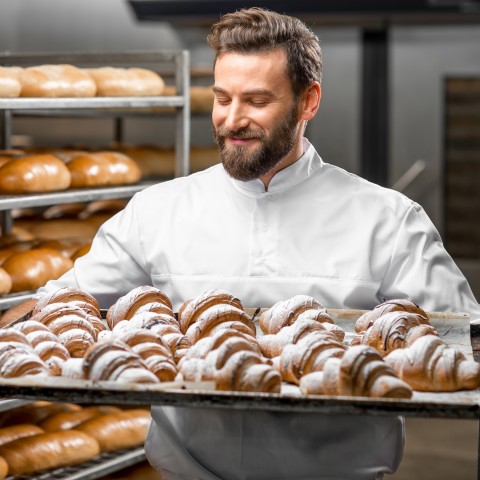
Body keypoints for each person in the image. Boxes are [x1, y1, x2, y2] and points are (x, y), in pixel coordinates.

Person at [31, 7, 480, 480]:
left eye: (256, 101)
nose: (232, 119)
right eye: (222, 98)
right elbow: (57, 307)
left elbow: (466, 337)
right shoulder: (157, 211)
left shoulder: (387, 218)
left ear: (309, 102)